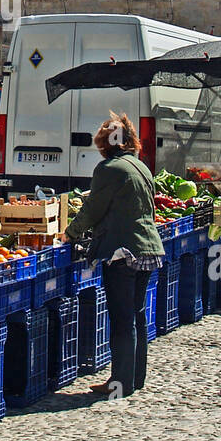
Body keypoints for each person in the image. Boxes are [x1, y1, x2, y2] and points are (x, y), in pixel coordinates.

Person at [63, 113, 163, 399]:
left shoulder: (108, 169)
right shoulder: (140, 166)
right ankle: (135, 377)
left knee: (122, 318)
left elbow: (93, 208)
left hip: (123, 251)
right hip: (148, 248)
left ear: (104, 144)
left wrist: (70, 233)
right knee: (137, 314)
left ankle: (120, 382)